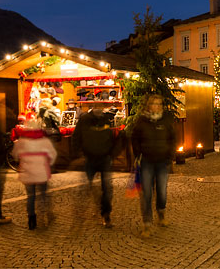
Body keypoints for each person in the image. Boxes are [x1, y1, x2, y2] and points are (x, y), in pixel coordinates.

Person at [129, 94, 176, 237]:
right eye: (155, 104)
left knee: (162, 192)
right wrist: (138, 155)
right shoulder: (142, 121)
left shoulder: (166, 120)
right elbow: (134, 139)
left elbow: (172, 138)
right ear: (149, 105)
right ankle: (147, 223)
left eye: (160, 104)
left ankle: (161, 213)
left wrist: (170, 155)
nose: (157, 106)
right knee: (147, 193)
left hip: (162, 161)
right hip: (147, 162)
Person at [73, 107, 118, 227]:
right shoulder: (85, 120)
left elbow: (111, 138)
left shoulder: (106, 120)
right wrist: (78, 154)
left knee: (107, 188)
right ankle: (79, 214)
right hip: (89, 158)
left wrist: (111, 154)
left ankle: (106, 214)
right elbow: (76, 137)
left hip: (104, 158)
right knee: (85, 187)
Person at [11, 118, 56, 230]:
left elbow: (15, 155)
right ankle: (43, 216)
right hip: (41, 172)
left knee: (30, 197)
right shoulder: (44, 141)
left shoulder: (22, 140)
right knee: (42, 196)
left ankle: (31, 219)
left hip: (27, 172)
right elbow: (53, 155)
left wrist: (22, 160)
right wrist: (48, 163)